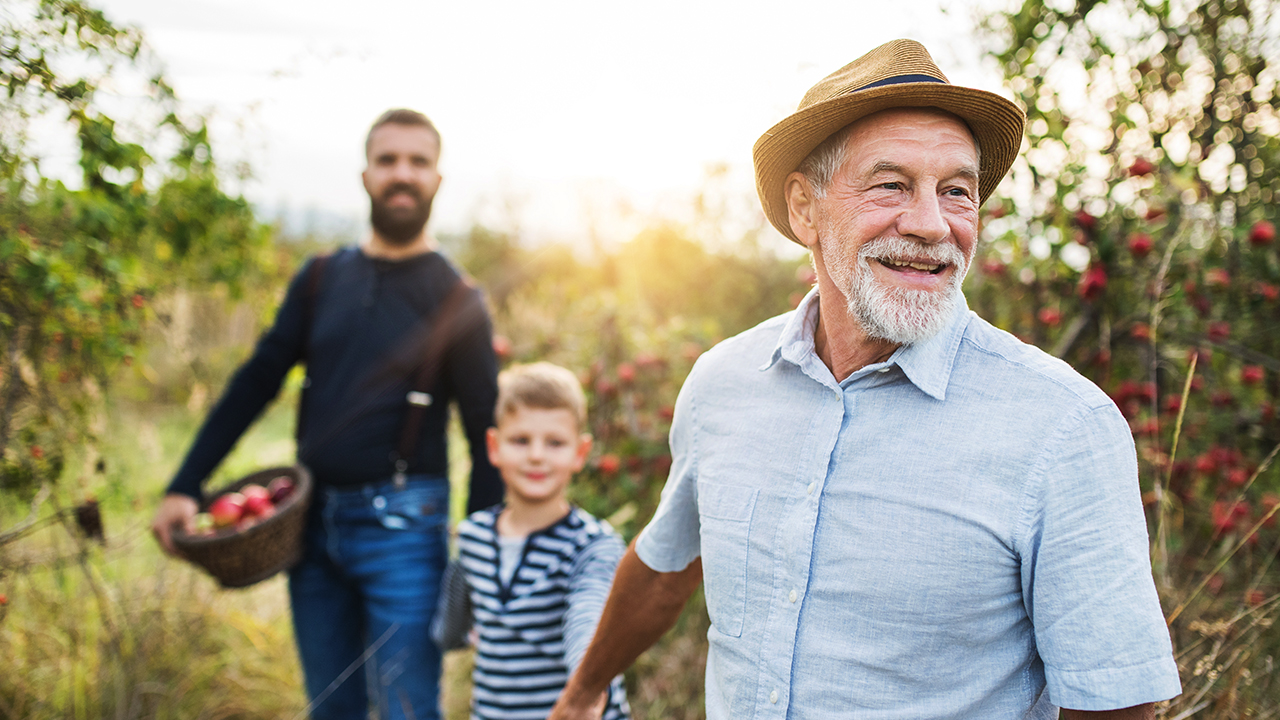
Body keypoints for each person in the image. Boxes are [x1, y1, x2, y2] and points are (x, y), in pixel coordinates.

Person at [550, 39, 1182, 720]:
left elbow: (1117, 704)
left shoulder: (1063, 428)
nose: (931, 225)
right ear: (805, 209)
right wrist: (580, 695)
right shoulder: (723, 384)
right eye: (891, 185)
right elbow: (666, 566)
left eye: (957, 192)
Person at [151, 108, 503, 720]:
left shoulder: (458, 299)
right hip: (307, 530)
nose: (403, 174)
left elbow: (485, 438)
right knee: (331, 709)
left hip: (406, 535)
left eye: (418, 162)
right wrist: (185, 484)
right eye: (388, 160)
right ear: (365, 175)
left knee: (406, 710)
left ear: (438, 180)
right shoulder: (319, 278)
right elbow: (254, 383)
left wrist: (476, 565)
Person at [433, 362, 630, 720]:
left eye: (555, 443)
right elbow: (450, 628)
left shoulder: (593, 546)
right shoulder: (474, 536)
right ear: (493, 446)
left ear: (580, 453)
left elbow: (588, 619)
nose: (536, 455)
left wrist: (586, 687)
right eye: (521, 440)